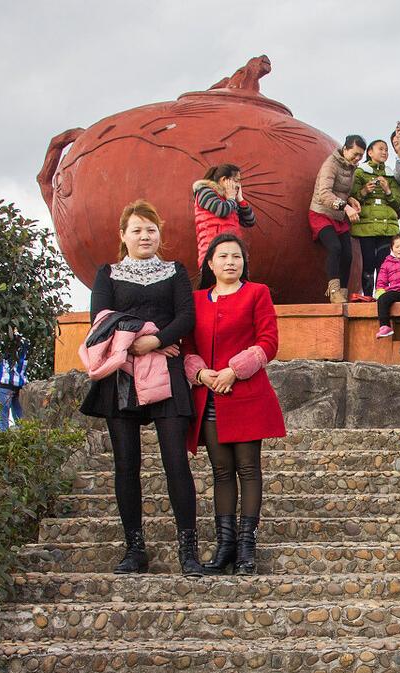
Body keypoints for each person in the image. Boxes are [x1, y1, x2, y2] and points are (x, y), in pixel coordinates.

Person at [80, 200, 205, 577]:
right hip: (123, 374)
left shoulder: (175, 271)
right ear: (123, 235)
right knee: (126, 465)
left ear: (159, 234)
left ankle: (189, 549)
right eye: (136, 229)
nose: (144, 236)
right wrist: (136, 338)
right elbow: (99, 318)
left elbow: (187, 315)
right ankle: (134, 549)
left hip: (166, 368)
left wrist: (157, 340)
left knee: (176, 463)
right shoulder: (109, 273)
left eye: (150, 229)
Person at [184, 233, 286, 576]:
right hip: (209, 396)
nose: (230, 262)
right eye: (223, 256)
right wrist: (201, 375)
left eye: (237, 256)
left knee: (248, 469)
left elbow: (268, 342)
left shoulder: (258, 293)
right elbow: (186, 347)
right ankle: (225, 545)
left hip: (246, 395)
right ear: (210, 263)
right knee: (221, 472)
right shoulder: (195, 299)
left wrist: (233, 370)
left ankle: (246, 547)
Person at [309, 135, 365, 303]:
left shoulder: (351, 168)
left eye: (360, 156)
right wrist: (345, 207)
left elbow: (343, 191)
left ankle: (343, 292)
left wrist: (350, 199)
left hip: (339, 216)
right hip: (321, 213)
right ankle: (333, 291)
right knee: (335, 248)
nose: (357, 158)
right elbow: (324, 194)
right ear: (345, 149)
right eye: (355, 154)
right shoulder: (330, 165)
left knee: (348, 255)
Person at [348, 139, 400, 302]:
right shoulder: (360, 172)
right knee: (368, 263)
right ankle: (367, 295)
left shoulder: (391, 176)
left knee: (383, 263)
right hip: (366, 226)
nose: (384, 152)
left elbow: (398, 203)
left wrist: (387, 190)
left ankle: (382, 295)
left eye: (386, 150)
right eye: (380, 149)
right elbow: (350, 197)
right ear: (370, 153)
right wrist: (364, 191)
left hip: (387, 226)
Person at [192, 163, 255, 267]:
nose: (238, 185)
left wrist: (240, 200)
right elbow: (222, 210)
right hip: (213, 253)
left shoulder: (230, 201)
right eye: (236, 180)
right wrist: (231, 198)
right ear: (224, 180)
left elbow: (249, 221)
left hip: (233, 251)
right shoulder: (205, 192)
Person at [0, 343, 27, 431]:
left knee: (3, 413)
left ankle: (3, 435)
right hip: (19, 383)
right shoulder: (24, 343)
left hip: (5, 382)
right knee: (19, 414)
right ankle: (23, 435)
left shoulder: (3, 342)